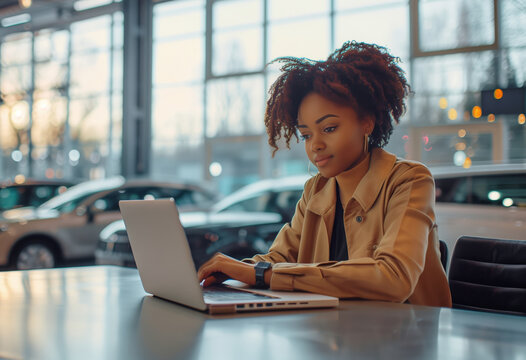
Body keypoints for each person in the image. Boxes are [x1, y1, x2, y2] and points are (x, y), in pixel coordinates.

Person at [197, 41, 452, 307]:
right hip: (335, 334)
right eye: (306, 134)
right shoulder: (316, 191)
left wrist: (263, 274)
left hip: (407, 337)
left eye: (329, 128)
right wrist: (232, 270)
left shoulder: (409, 180)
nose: (314, 145)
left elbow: (394, 277)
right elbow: (279, 260)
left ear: (367, 122)